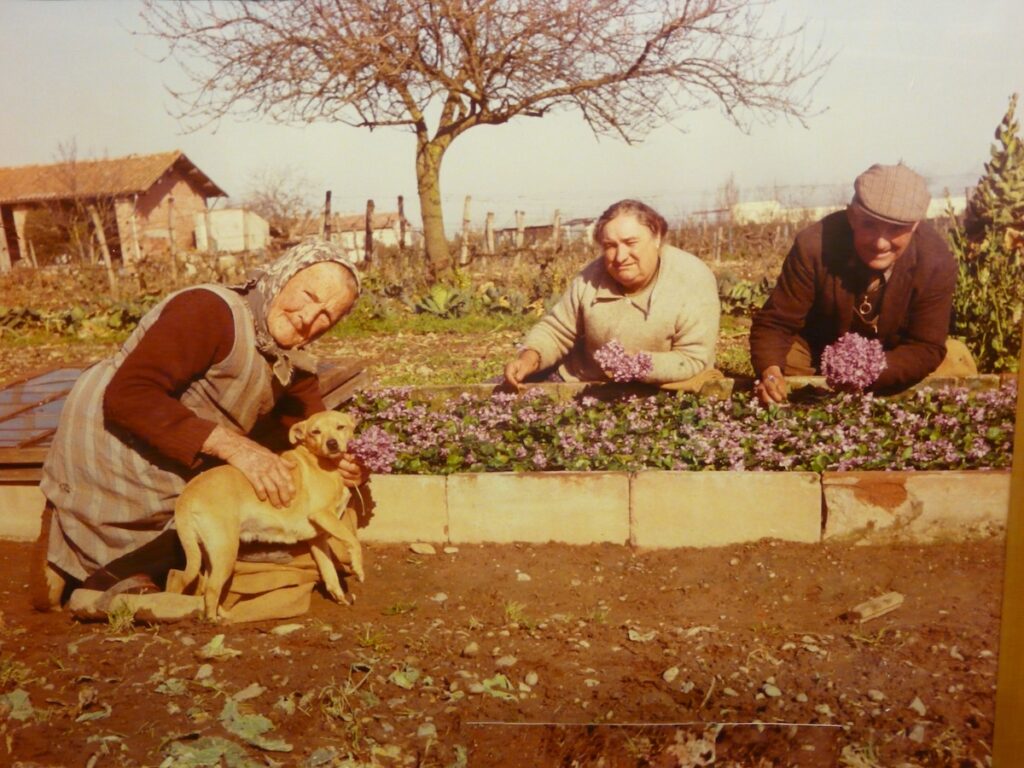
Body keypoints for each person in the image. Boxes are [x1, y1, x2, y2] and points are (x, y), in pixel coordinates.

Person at [32, 240, 368, 611]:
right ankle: (74, 548)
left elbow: (310, 422)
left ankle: (117, 571)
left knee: (247, 522)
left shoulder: (291, 356)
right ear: (283, 275)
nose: (308, 317)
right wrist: (236, 447)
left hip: (178, 451)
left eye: (326, 316)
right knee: (216, 515)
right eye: (307, 296)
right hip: (114, 442)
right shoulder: (208, 311)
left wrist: (342, 463)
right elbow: (130, 395)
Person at [749, 162, 976, 404]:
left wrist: (867, 371)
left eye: (897, 229)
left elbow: (925, 345)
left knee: (954, 359)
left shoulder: (936, 260)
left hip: (892, 359)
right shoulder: (813, 245)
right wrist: (770, 372)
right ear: (852, 217)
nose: (880, 243)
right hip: (819, 354)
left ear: (915, 226)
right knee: (785, 360)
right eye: (869, 225)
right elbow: (776, 323)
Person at [503, 199, 720, 388]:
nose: (620, 256)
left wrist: (635, 366)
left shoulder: (691, 278)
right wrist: (529, 359)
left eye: (630, 243)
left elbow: (692, 359)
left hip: (665, 389)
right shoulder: (591, 277)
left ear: (657, 238)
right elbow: (557, 330)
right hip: (584, 382)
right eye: (610, 246)